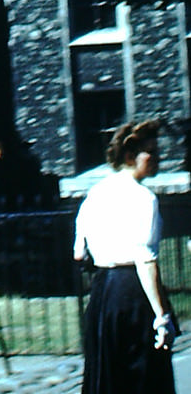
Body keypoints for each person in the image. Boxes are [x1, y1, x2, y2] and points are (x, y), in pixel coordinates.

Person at [74, 119, 178, 394]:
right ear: (130, 156)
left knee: (108, 377)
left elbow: (78, 252)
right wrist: (161, 316)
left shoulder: (95, 192)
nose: (157, 158)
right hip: (132, 294)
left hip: (101, 295)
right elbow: (145, 260)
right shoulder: (144, 198)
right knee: (142, 378)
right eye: (150, 152)